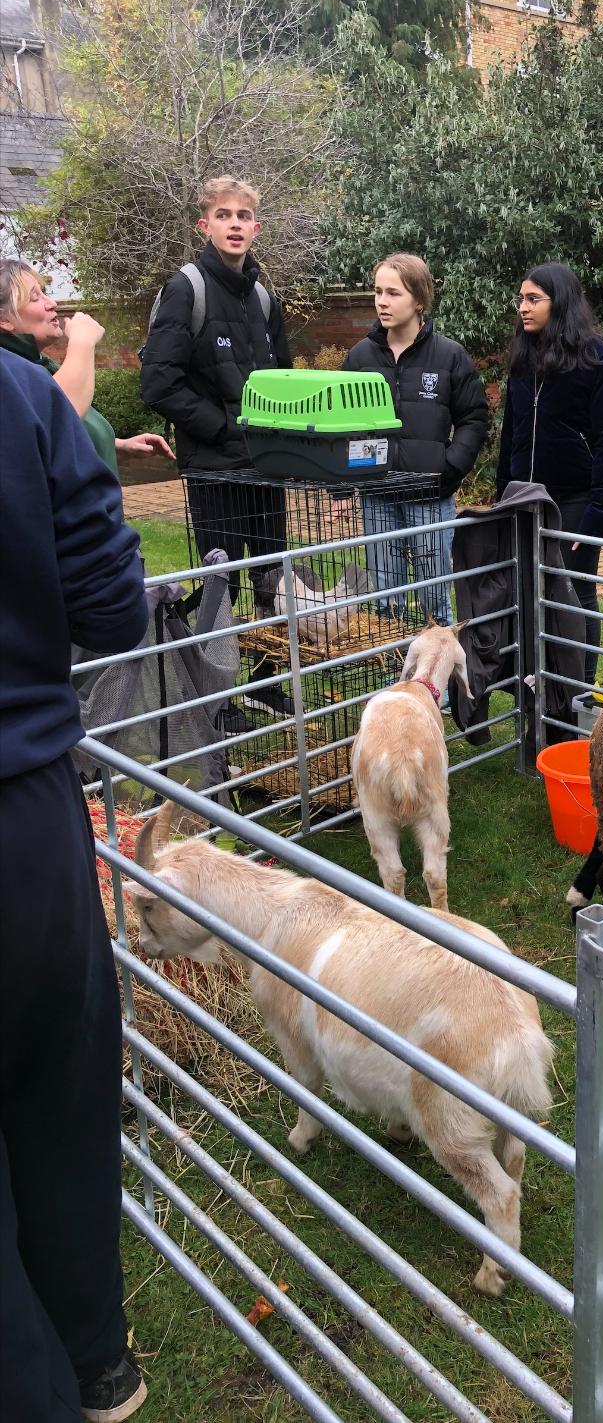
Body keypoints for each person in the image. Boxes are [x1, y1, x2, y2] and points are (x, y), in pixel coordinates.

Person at [0, 351, 150, 1421]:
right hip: (28, 819)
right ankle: (95, 1362)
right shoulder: (22, 400)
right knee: (59, 1085)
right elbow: (113, 608)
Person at [140, 175, 291, 724]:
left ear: (256, 226)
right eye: (223, 215)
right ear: (204, 224)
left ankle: (267, 681)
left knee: (273, 579)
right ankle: (218, 701)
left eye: (244, 216)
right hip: (214, 469)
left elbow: (283, 382)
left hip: (265, 467)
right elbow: (158, 382)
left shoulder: (262, 297)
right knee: (220, 586)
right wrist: (226, 428)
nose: (234, 224)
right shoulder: (187, 289)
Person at [496, 261, 603, 687]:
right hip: (524, 498)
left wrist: (597, 517)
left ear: (561, 303)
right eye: (521, 298)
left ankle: (579, 693)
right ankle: (539, 692)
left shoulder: (594, 359)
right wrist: (503, 497)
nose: (523, 307)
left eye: (533, 299)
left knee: (574, 594)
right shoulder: (522, 355)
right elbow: (511, 431)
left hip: (575, 500)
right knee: (529, 594)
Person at [344, 253, 488, 626]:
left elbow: (473, 418)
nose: (382, 301)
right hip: (377, 495)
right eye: (378, 291)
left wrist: (449, 467)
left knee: (435, 604)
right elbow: (344, 424)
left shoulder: (450, 355)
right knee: (386, 605)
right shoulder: (360, 357)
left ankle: (441, 684)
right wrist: (347, 482)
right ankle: (395, 682)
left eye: (394, 292)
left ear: (419, 300)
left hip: (429, 495)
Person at [0, 260, 174, 476]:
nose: (51, 303)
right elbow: (57, 419)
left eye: (45, 292)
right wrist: (82, 341)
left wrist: (115, 446)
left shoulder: (40, 365)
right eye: (35, 297)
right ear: (4, 319)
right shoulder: (8, 372)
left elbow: (59, 450)